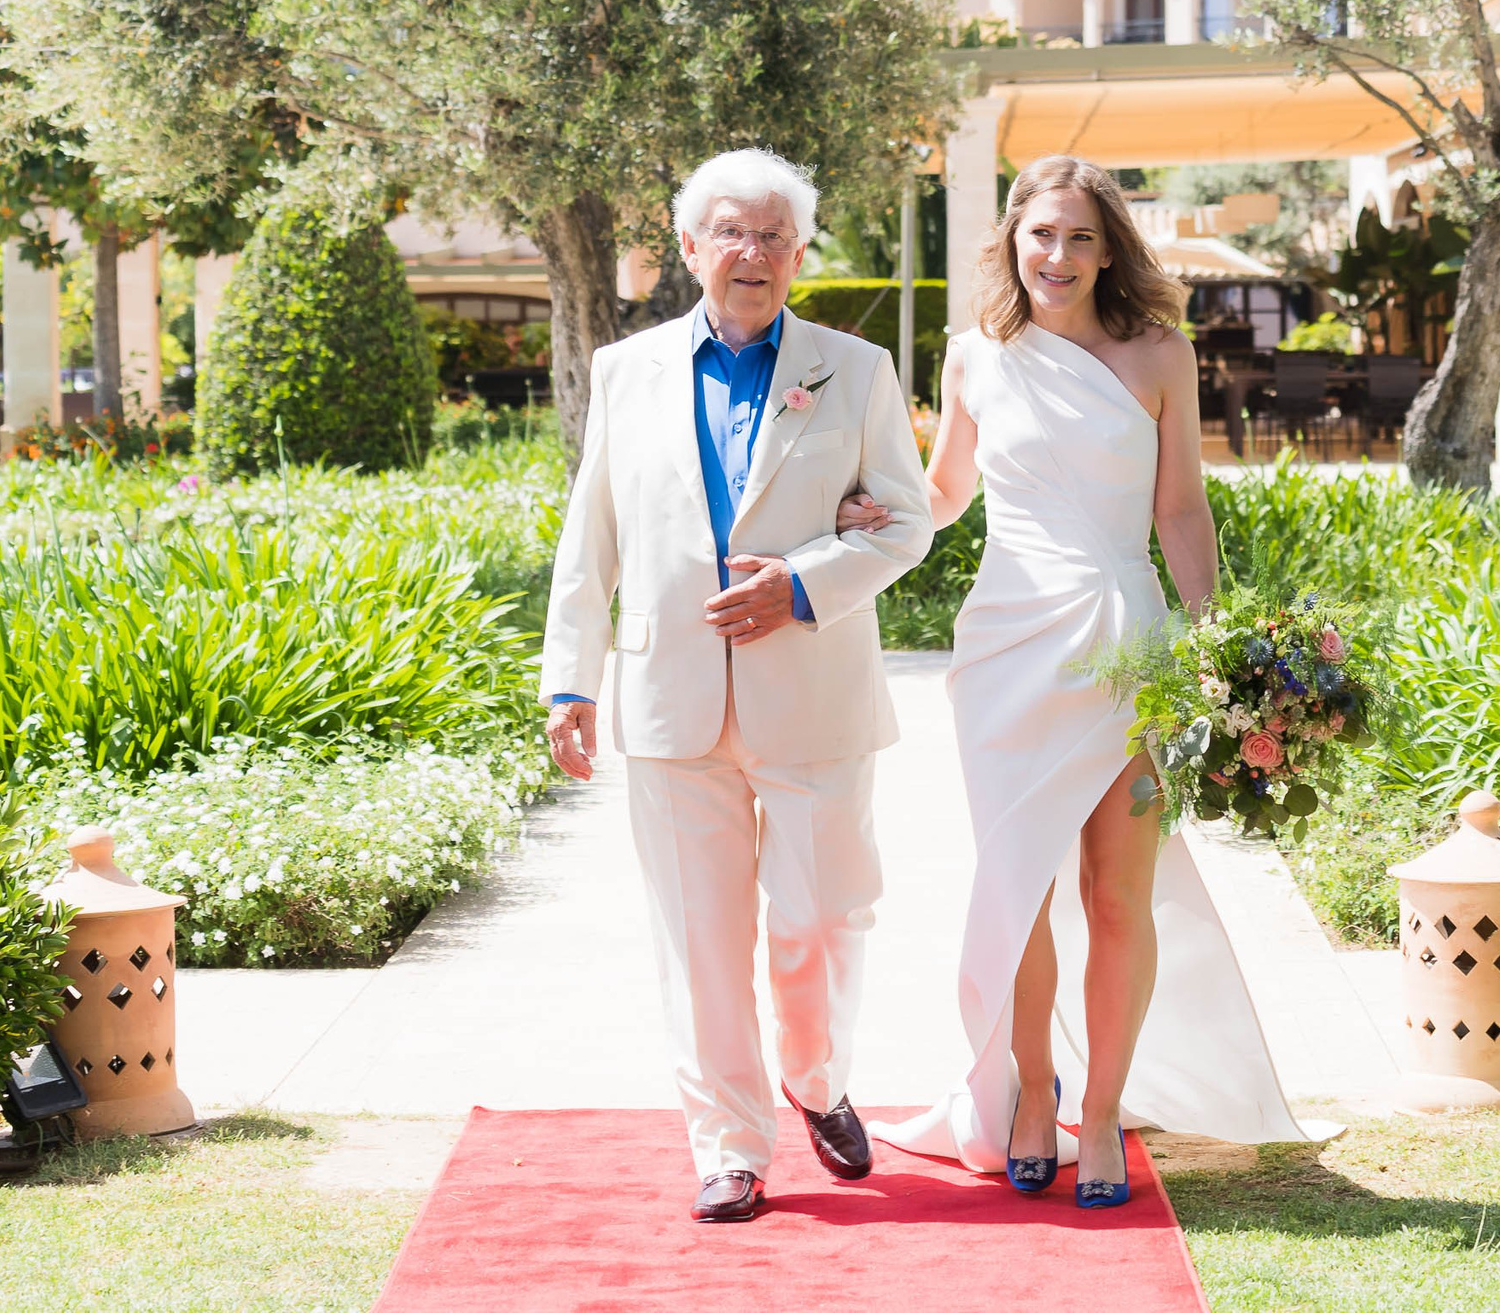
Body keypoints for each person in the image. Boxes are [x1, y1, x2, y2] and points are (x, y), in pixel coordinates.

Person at [851, 155, 1318, 1207]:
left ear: (1108, 251)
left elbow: (1181, 509)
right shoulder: (973, 358)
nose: (1055, 256)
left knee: (1118, 897)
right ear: (1011, 240)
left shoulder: (1157, 354)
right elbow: (945, 491)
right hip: (1007, 651)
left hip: (1131, 647)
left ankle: (1099, 1112)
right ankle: (1028, 1093)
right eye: (1039, 235)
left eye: (1078, 238)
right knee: (1020, 891)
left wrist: (1213, 647)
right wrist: (867, 518)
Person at [540, 149, 933, 1224]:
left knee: (823, 920)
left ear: (798, 254)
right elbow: (593, 540)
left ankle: (818, 1081)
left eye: (771, 235)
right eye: (729, 231)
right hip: (669, 704)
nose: (749, 252)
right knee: (700, 945)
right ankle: (728, 1147)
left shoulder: (856, 372)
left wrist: (801, 585)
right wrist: (567, 683)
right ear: (688, 248)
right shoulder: (627, 372)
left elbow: (908, 521)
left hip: (814, 700)